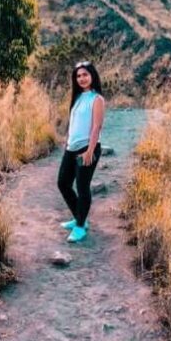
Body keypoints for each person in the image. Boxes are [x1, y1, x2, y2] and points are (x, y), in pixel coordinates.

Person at [57, 60, 106, 243]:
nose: (82, 78)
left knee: (82, 187)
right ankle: (80, 217)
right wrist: (67, 141)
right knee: (63, 183)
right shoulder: (77, 98)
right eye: (78, 76)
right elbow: (74, 123)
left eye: (85, 74)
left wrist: (90, 151)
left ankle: (80, 227)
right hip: (71, 147)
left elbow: (96, 127)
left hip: (88, 148)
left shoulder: (97, 99)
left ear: (92, 76)